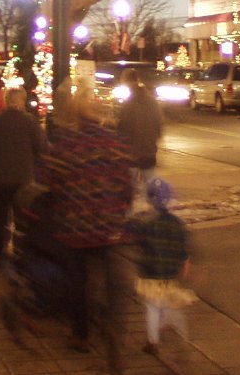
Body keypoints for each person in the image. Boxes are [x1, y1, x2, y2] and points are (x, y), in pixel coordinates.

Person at [39, 81, 134, 368]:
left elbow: (49, 184)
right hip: (110, 226)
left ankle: (82, 335)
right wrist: (119, 208)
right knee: (114, 281)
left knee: (77, 282)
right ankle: (115, 329)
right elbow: (126, 185)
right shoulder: (114, 143)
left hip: (75, 227)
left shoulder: (63, 147)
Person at [0, 87, 45, 268]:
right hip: (24, 179)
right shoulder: (30, 122)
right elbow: (42, 149)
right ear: (21, 102)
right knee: (22, 218)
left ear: (6, 101)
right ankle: (21, 253)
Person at [132, 178, 196, 356]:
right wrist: (185, 264)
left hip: (150, 274)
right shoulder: (177, 225)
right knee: (169, 303)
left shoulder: (147, 224)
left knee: (152, 307)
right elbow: (183, 249)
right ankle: (182, 337)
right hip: (169, 273)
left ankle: (153, 342)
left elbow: (141, 246)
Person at [116, 69, 163, 182]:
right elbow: (159, 125)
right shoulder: (152, 101)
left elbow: (123, 129)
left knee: (130, 188)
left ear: (126, 81)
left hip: (132, 153)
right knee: (150, 188)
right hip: (149, 152)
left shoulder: (129, 104)